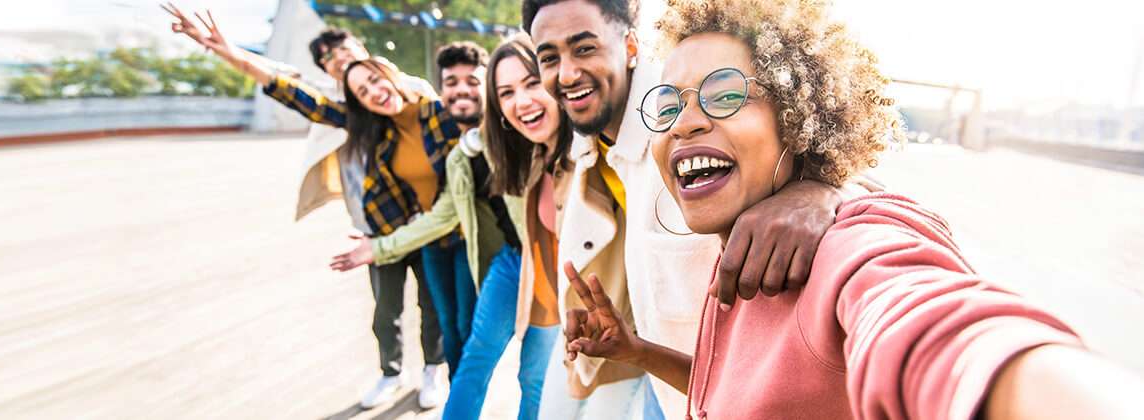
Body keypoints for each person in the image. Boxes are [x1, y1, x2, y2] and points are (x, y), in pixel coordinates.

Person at [562, 1, 1144, 419]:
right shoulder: (745, 242)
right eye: (669, 103)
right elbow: (739, 394)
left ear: (798, 116)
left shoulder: (847, 243)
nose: (685, 121)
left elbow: (934, 325)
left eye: (726, 93)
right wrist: (635, 352)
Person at [521, 0, 870, 417]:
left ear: (632, 47)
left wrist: (820, 193)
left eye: (584, 48)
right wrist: (635, 351)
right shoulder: (590, 146)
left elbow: (862, 183)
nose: (567, 73)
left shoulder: (688, 139)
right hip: (681, 388)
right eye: (548, 58)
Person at [161, 4, 445, 409]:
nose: (341, 62)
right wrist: (227, 51)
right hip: (380, 226)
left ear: (365, 50)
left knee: (433, 303)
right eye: (330, 60)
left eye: (345, 51)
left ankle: (435, 368)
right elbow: (293, 90)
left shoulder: (417, 93)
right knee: (386, 310)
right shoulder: (353, 111)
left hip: (431, 222)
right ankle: (391, 372)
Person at [331, 34, 576, 419]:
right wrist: (376, 248)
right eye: (507, 92)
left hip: (559, 269)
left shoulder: (574, 143)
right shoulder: (474, 151)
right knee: (473, 357)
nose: (521, 100)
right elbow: (442, 214)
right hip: (513, 262)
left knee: (534, 377)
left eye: (531, 83)